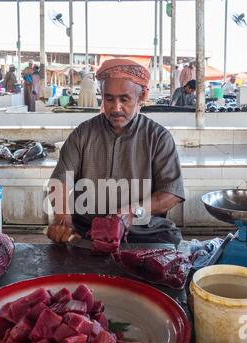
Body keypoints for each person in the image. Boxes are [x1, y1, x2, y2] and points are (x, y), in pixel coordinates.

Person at [46, 58, 185, 247]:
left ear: (141, 97)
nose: (116, 108)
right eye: (109, 99)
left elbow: (171, 193)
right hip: (87, 228)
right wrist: (62, 218)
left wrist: (131, 212)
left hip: (142, 230)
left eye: (124, 99)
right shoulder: (83, 134)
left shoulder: (158, 137)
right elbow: (60, 180)